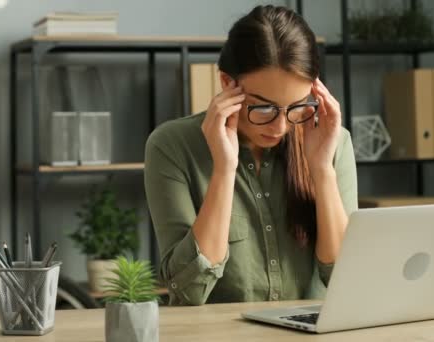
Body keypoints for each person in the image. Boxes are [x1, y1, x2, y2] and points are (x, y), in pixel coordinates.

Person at [144, 5, 358, 306]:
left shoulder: (335, 142)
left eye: (297, 106)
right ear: (227, 84)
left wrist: (322, 170)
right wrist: (224, 169)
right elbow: (189, 291)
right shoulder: (171, 146)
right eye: (264, 108)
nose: (281, 126)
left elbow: (345, 281)